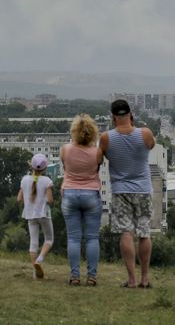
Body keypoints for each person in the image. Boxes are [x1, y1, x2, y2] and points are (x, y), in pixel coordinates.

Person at [100, 99, 156, 289]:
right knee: (144, 232)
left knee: (126, 232)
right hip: (143, 189)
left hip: (120, 190)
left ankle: (131, 279)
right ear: (131, 114)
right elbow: (151, 145)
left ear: (113, 117)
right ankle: (145, 278)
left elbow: (103, 156)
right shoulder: (145, 133)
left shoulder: (106, 138)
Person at [60, 114, 103, 286]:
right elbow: (97, 168)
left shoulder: (65, 149)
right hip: (91, 194)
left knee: (73, 238)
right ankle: (91, 276)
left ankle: (74, 276)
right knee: (92, 238)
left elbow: (65, 166)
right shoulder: (97, 152)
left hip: (70, 194)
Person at [17, 153, 54, 279]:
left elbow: (19, 199)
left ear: (31, 166)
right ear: (44, 168)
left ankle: (35, 274)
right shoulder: (47, 181)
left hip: (30, 215)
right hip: (44, 214)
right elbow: (50, 200)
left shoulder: (24, 179)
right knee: (49, 239)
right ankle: (40, 259)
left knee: (33, 243)